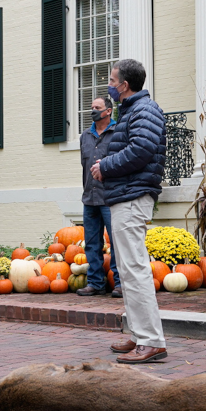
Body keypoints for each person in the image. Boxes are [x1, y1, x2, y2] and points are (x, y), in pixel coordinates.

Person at [92, 59, 168, 364]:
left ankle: (152, 341)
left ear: (124, 85)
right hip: (125, 196)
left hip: (133, 197)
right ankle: (139, 335)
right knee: (127, 269)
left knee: (135, 270)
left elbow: (141, 150)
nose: (109, 85)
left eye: (112, 80)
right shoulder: (132, 111)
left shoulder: (144, 110)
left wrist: (105, 166)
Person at [77, 96, 121, 297]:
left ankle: (120, 283)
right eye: (91, 107)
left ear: (109, 111)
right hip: (89, 197)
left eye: (97, 107)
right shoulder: (85, 135)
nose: (93, 110)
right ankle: (95, 283)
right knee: (92, 243)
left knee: (116, 242)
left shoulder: (119, 133)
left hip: (110, 197)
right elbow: (84, 165)